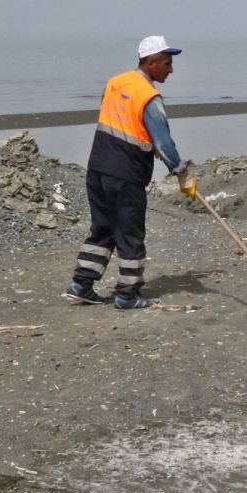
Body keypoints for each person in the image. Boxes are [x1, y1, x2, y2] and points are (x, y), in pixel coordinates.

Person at [63, 36, 197, 310]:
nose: (170, 70)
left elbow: (122, 121)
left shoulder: (115, 83)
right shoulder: (149, 96)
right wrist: (181, 172)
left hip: (98, 167)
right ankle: (127, 294)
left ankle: (82, 284)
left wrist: (146, 143)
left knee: (103, 229)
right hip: (125, 174)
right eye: (167, 64)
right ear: (151, 62)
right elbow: (163, 141)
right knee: (130, 233)